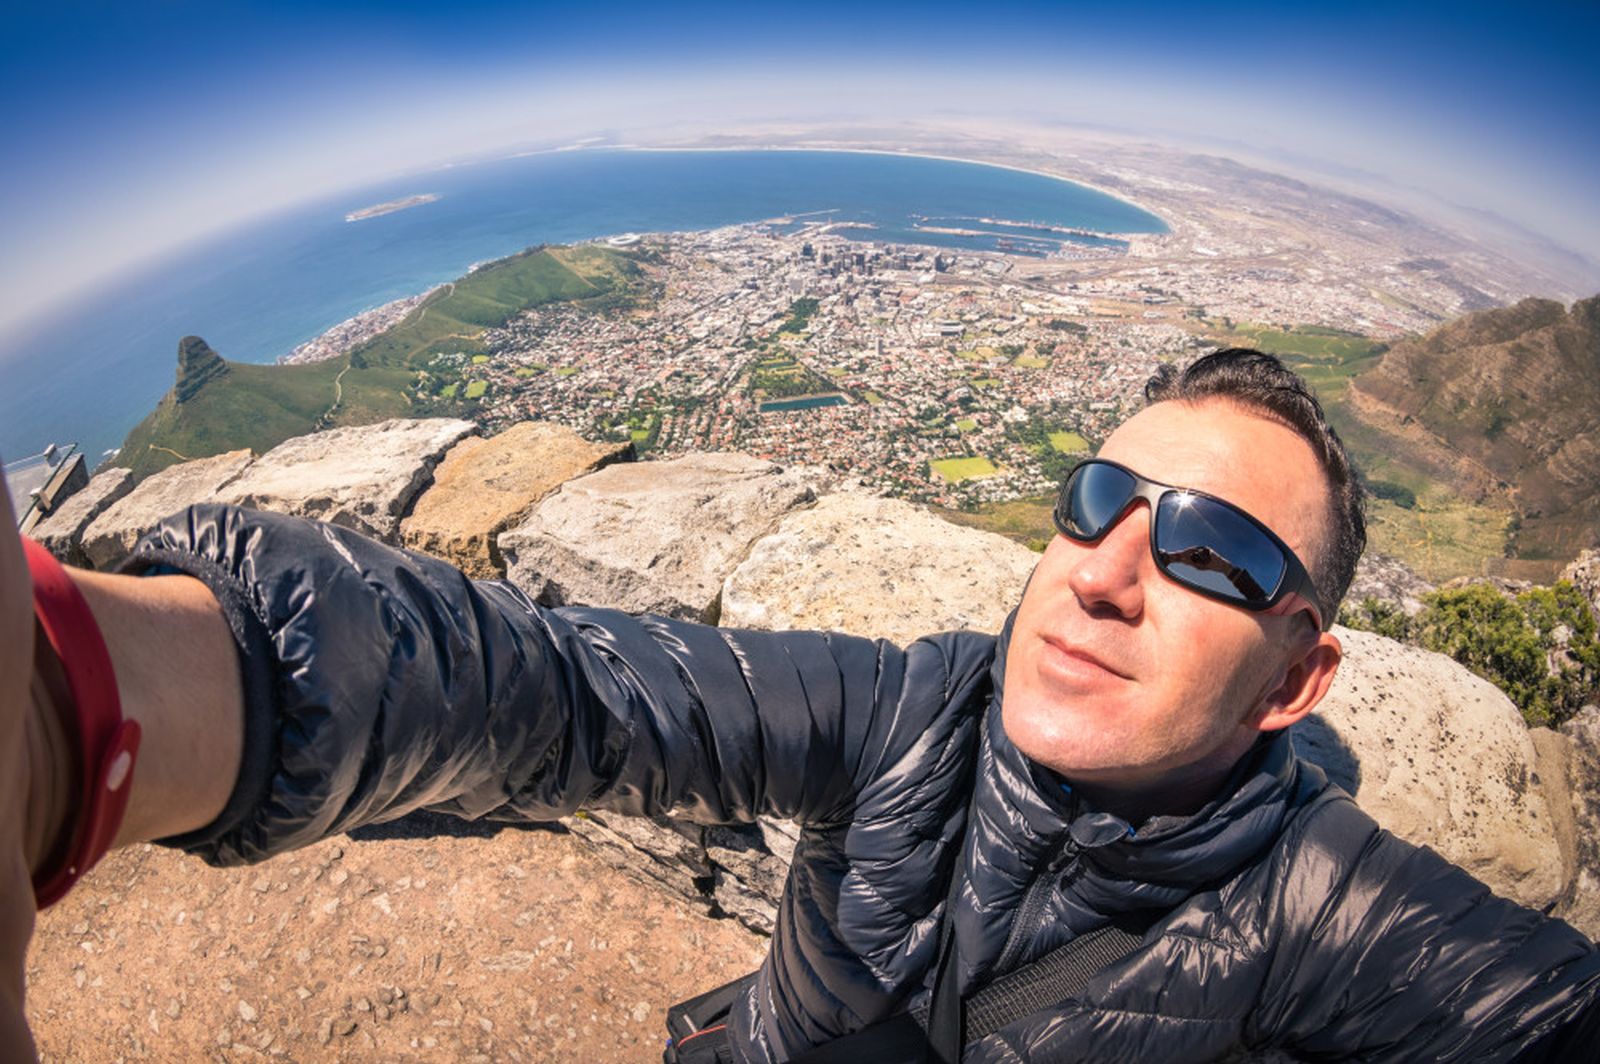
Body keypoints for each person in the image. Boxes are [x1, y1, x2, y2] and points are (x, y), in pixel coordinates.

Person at [3, 348, 1598, 1062]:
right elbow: (561, 689)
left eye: (1214, 550)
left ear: (1300, 676)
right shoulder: (909, 716)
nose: (1108, 570)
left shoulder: (1317, 906)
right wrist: (77, 694)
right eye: (1101, 495)